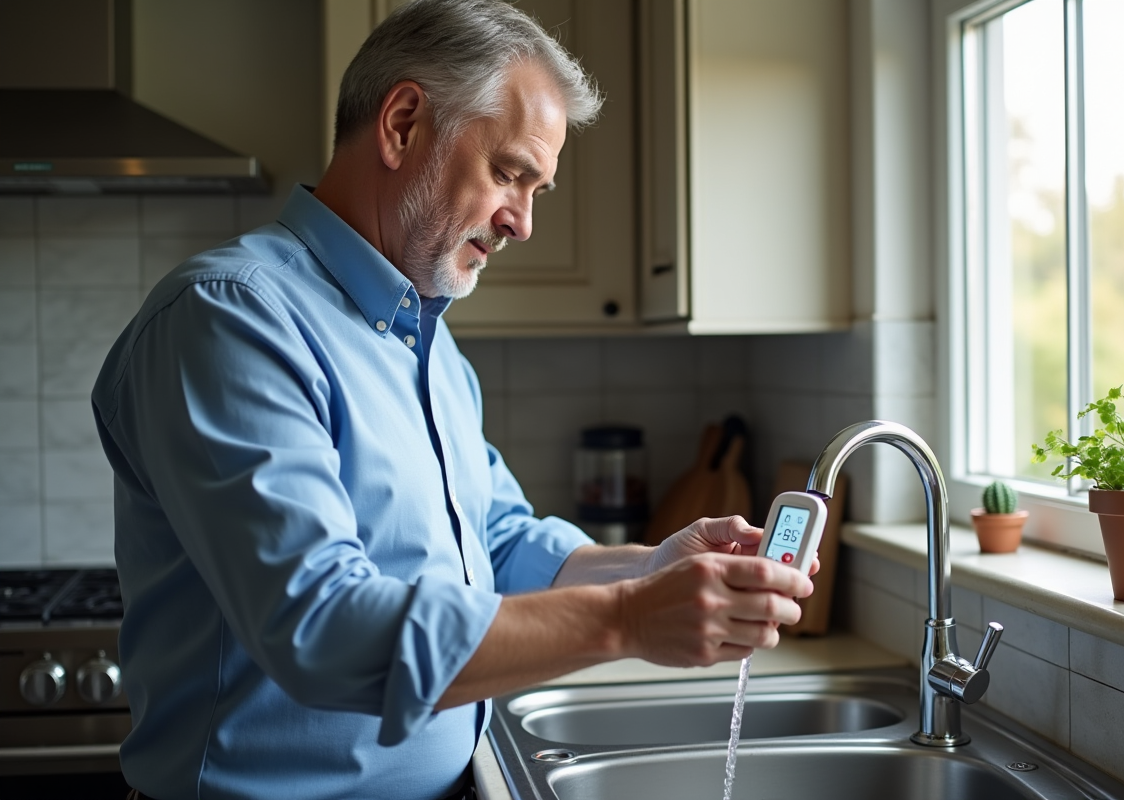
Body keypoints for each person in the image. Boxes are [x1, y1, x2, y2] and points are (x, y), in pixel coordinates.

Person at [92, 2, 816, 799]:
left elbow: (498, 544)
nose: (525, 222)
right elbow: (320, 627)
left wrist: (651, 566)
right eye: (509, 173)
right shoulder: (230, 319)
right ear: (402, 124)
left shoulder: (427, 340)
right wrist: (631, 619)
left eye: (536, 187)